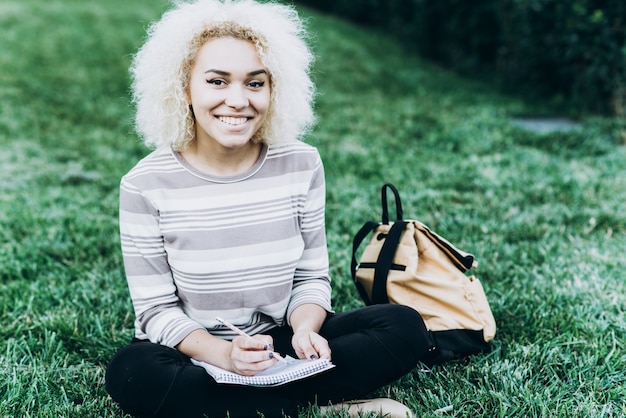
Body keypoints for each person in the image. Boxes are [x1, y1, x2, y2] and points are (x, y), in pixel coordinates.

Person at [105, 1, 431, 416]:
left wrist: (305, 331)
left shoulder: (302, 162)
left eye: (255, 83)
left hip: (280, 341)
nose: (238, 100)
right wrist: (226, 356)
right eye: (217, 82)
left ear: (274, 89)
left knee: (403, 327)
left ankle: (257, 406)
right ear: (183, 87)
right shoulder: (144, 184)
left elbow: (311, 276)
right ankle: (315, 405)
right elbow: (155, 311)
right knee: (133, 371)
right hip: (196, 351)